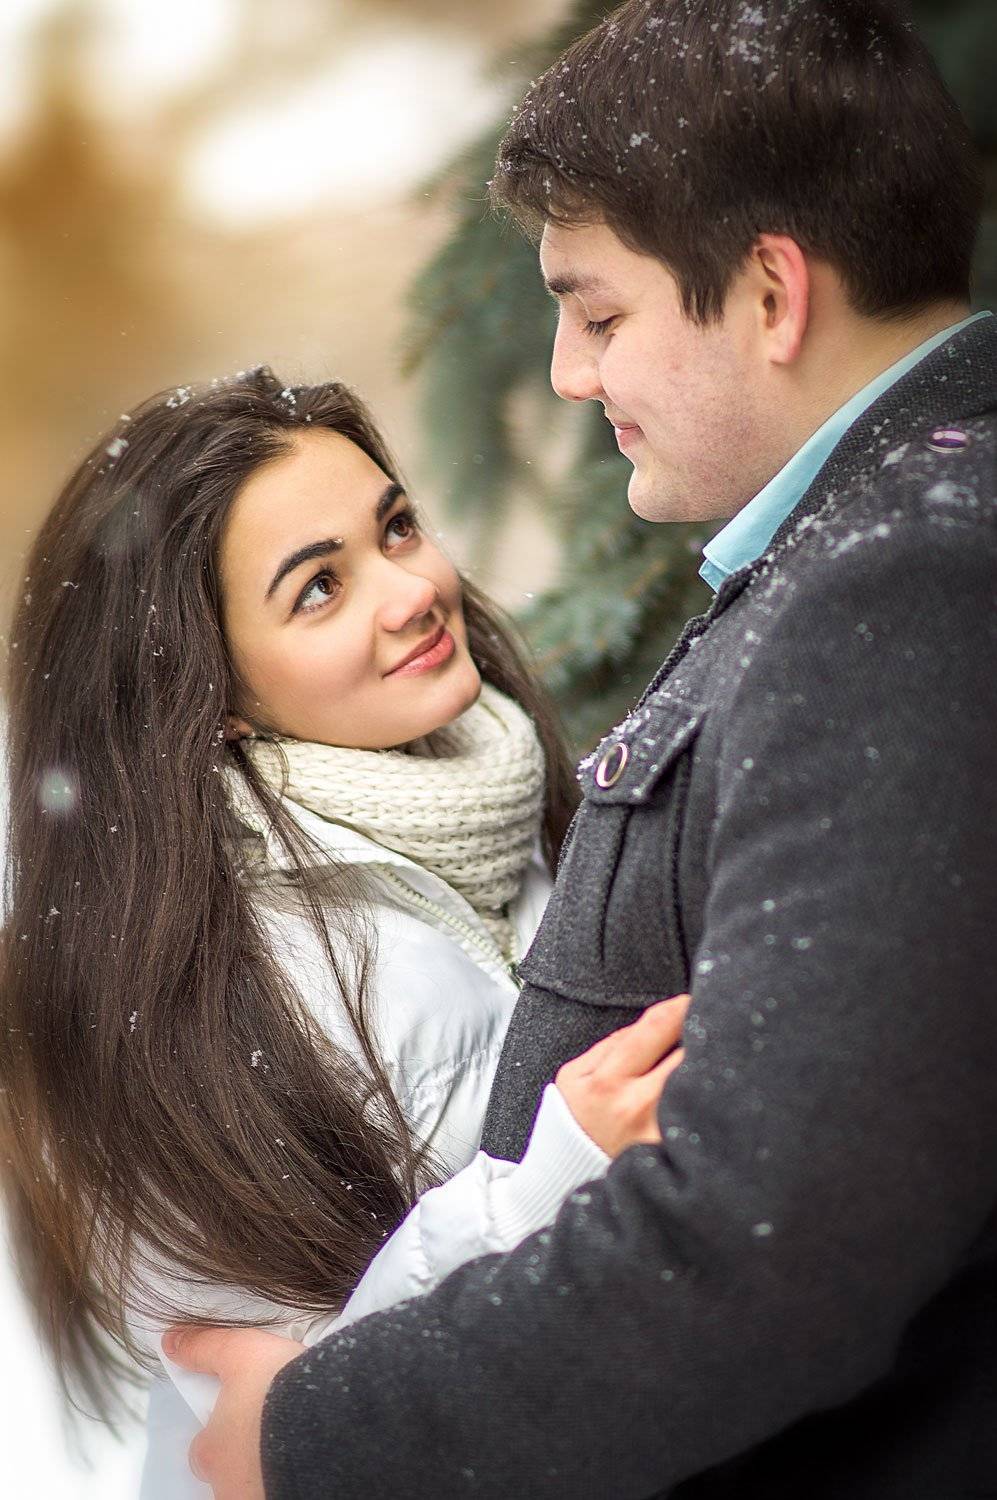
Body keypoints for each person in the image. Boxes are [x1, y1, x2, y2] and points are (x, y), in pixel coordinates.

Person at [166, 1, 997, 1496]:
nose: (564, 373)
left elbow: (779, 1234)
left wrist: (319, 1438)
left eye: (600, 315)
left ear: (771, 294)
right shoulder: (881, 547)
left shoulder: (906, 584)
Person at [0, 367, 690, 1497]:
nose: (411, 590)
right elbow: (285, 1415)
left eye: (396, 527)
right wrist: (545, 1184)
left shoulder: (516, 793)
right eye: (318, 587)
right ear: (208, 690)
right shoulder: (194, 991)